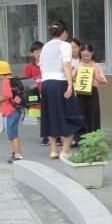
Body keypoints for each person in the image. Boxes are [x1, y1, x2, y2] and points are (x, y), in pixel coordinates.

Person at [39, 19, 84, 160]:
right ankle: (65, 150)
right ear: (64, 32)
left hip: (46, 84)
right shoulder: (65, 45)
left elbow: (41, 67)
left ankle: (53, 150)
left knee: (49, 114)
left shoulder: (45, 47)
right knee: (70, 112)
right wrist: (70, 84)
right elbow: (66, 64)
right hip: (60, 82)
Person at [0, 61, 24, 163]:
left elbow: (7, 95)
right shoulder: (14, 80)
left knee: (12, 135)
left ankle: (17, 155)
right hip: (18, 110)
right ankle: (16, 152)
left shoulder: (5, 81)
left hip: (11, 111)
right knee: (14, 133)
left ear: (1, 74)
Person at [73, 43, 108, 136]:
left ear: (92, 53)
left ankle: (94, 136)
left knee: (94, 114)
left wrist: (96, 77)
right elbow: (72, 79)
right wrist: (77, 76)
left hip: (92, 91)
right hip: (81, 92)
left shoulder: (96, 66)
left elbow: (104, 82)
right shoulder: (79, 65)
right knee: (80, 113)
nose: (85, 58)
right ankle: (79, 137)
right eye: (83, 56)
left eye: (87, 56)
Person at [22, 41, 45, 144]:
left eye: (41, 51)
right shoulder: (29, 66)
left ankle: (55, 136)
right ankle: (44, 135)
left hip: (47, 94)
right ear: (32, 53)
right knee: (39, 116)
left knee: (51, 115)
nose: (39, 54)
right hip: (36, 96)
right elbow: (26, 80)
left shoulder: (47, 64)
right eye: (37, 52)